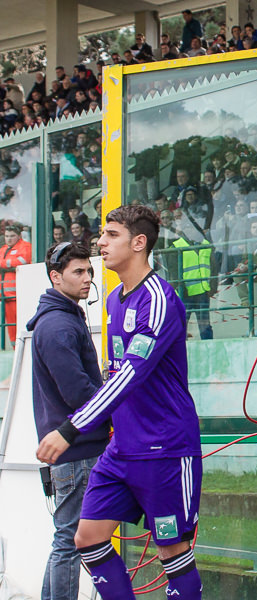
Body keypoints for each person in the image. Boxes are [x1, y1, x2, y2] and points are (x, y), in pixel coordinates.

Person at [36, 206, 203, 600]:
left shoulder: (159, 300)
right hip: (122, 449)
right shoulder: (113, 299)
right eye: (102, 234)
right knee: (87, 538)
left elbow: (131, 374)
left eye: (111, 234)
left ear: (139, 243)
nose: (100, 242)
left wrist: (71, 428)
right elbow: (113, 375)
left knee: (172, 550)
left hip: (164, 449)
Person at [28, 241, 108, 600]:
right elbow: (78, 394)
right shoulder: (59, 326)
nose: (88, 278)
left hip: (75, 449)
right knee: (70, 541)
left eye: (89, 270)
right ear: (55, 277)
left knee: (66, 538)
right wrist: (109, 394)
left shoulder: (65, 317)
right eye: (78, 272)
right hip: (76, 451)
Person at [0, 224, 32, 344]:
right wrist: (9, 265)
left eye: (12, 236)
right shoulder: (3, 249)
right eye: (7, 236)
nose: (9, 239)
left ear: (19, 236)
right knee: (11, 328)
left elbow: (23, 261)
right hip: (6, 295)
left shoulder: (26, 246)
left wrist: (4, 264)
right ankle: (15, 350)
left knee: (21, 325)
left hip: (19, 294)